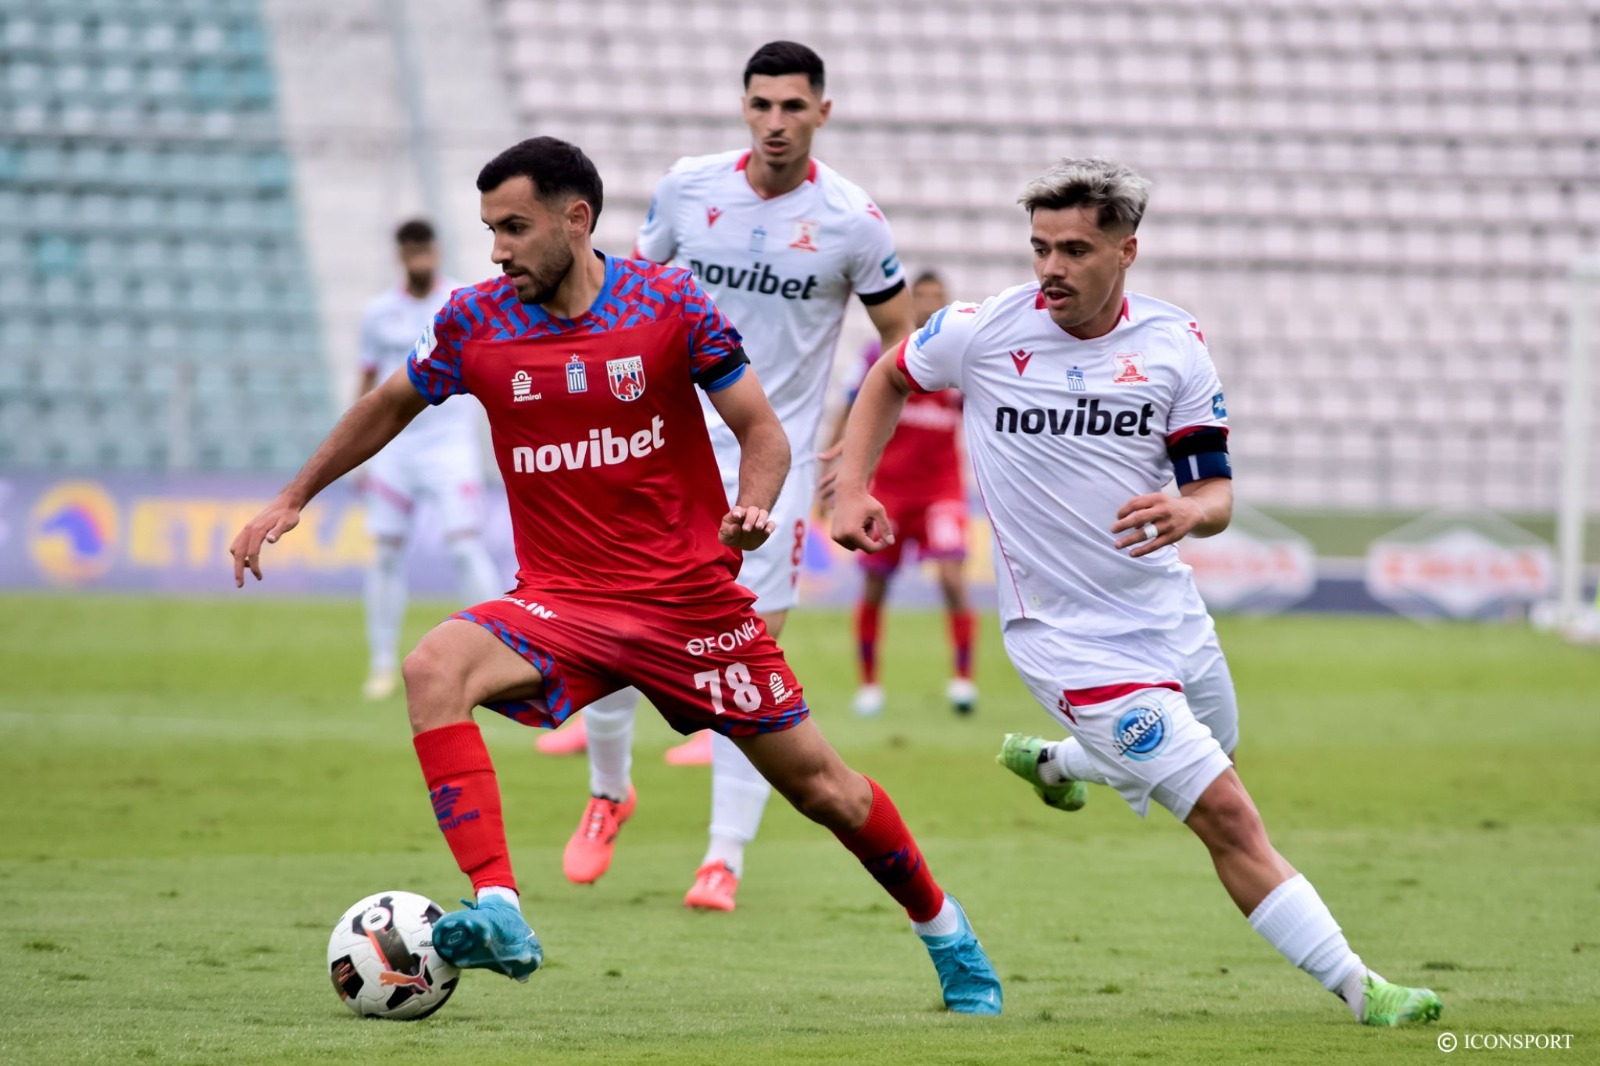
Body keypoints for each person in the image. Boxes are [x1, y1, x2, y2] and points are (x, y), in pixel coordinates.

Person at [228, 137, 1000, 1015]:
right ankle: (501, 909)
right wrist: (291, 497)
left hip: (687, 604)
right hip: (560, 602)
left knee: (825, 788)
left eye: (514, 228)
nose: (497, 249)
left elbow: (765, 431)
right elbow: (386, 405)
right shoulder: (473, 322)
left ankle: (947, 934)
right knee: (432, 668)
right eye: (489, 230)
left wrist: (752, 506)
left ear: (576, 218)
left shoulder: (668, 305)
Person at [830, 157, 1441, 1027]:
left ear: (1127, 251)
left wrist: (1189, 511)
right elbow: (888, 377)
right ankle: (1362, 988)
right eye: (1040, 247)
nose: (1051, 267)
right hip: (1065, 638)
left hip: (1168, 616)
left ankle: (1056, 763)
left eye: (1074, 249)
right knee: (1226, 813)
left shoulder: (1173, 345)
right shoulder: (980, 330)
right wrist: (854, 487)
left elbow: (1218, 494)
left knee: (1219, 748)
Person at [541, 41, 916, 914]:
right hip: (652, 450)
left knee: (746, 662)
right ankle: (608, 792)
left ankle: (723, 860)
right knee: (603, 625)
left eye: (793, 107)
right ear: (743, 107)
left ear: (824, 111)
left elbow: (904, 348)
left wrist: (852, 454)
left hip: (767, 466)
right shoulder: (688, 188)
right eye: (761, 105)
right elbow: (619, 290)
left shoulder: (855, 221)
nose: (775, 122)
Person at [354, 219, 503, 699]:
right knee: (384, 554)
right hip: (395, 450)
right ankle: (380, 663)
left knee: (464, 546)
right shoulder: (379, 314)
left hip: (449, 446)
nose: (420, 257)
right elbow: (368, 383)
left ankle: (501, 650)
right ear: (401, 255)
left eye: (426, 248)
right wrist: (360, 451)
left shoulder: (462, 301)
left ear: (436, 252)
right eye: (411, 249)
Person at [833, 271, 976, 719]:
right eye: (924, 298)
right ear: (911, 304)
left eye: (939, 299)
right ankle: (870, 685)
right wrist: (839, 459)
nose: (930, 306)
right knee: (875, 586)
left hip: (941, 490)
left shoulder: (961, 361)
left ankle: (963, 680)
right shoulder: (883, 355)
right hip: (889, 490)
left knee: (953, 580)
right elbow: (853, 401)